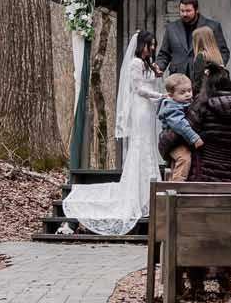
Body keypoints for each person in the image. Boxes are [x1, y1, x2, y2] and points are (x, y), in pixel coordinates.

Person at [61, 30, 163, 236]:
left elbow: (149, 80)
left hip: (149, 109)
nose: (151, 48)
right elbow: (138, 89)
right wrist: (160, 95)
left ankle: (150, 187)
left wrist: (156, 74)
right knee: (140, 145)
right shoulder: (135, 63)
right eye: (149, 45)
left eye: (153, 45)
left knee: (149, 146)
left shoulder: (147, 64)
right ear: (141, 44)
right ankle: (139, 191)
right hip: (141, 107)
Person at [182, 63, 231, 297]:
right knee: (225, 226)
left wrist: (165, 144)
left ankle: (197, 282)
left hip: (203, 173)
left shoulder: (201, 105)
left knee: (197, 227)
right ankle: (224, 277)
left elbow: (183, 132)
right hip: (230, 173)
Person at [155, 0, 227, 79]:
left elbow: (223, 52)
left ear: (196, 10)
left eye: (188, 11)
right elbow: (164, 54)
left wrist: (216, 69)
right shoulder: (171, 28)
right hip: (178, 79)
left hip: (204, 79)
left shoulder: (213, 26)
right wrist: (159, 67)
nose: (184, 14)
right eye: (182, 11)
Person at [156, 72, 202, 182]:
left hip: (178, 141)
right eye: (182, 92)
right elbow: (180, 125)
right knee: (184, 158)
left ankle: (171, 182)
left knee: (177, 163)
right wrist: (194, 137)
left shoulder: (183, 102)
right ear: (171, 95)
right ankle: (177, 185)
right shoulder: (172, 107)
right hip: (171, 143)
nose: (187, 94)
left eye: (189, 91)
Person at [186, 23, 223, 91]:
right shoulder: (217, 55)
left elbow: (198, 83)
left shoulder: (201, 56)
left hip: (204, 95)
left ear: (197, 41)